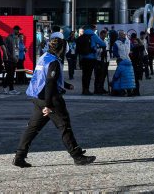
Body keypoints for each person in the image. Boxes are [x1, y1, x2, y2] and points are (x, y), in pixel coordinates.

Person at [12, 32, 96, 168]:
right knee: (64, 125)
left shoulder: (44, 57)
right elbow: (50, 82)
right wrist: (48, 105)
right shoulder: (54, 62)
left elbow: (44, 76)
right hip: (49, 98)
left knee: (32, 128)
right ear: (62, 49)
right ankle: (77, 156)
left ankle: (19, 156)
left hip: (36, 96)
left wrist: (65, 85)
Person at [77, 25, 105, 95]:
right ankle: (87, 90)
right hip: (91, 58)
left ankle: (84, 89)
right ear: (93, 29)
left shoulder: (83, 36)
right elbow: (102, 44)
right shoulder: (93, 35)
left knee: (84, 74)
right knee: (88, 75)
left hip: (83, 57)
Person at [3, 25, 22, 94]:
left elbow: (16, 49)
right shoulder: (9, 38)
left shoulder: (18, 39)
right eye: (17, 30)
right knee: (10, 73)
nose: (19, 31)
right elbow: (5, 48)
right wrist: (10, 56)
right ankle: (9, 88)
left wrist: (17, 57)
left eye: (19, 30)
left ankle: (8, 88)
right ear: (14, 30)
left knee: (11, 73)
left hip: (14, 59)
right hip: (8, 59)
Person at [94, 29, 110, 95]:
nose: (104, 36)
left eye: (105, 35)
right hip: (99, 60)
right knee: (98, 75)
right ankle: (97, 89)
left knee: (104, 75)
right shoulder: (97, 41)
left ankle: (101, 87)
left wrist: (108, 58)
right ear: (101, 35)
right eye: (103, 35)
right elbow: (95, 50)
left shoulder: (106, 41)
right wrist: (101, 50)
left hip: (106, 60)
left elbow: (108, 50)